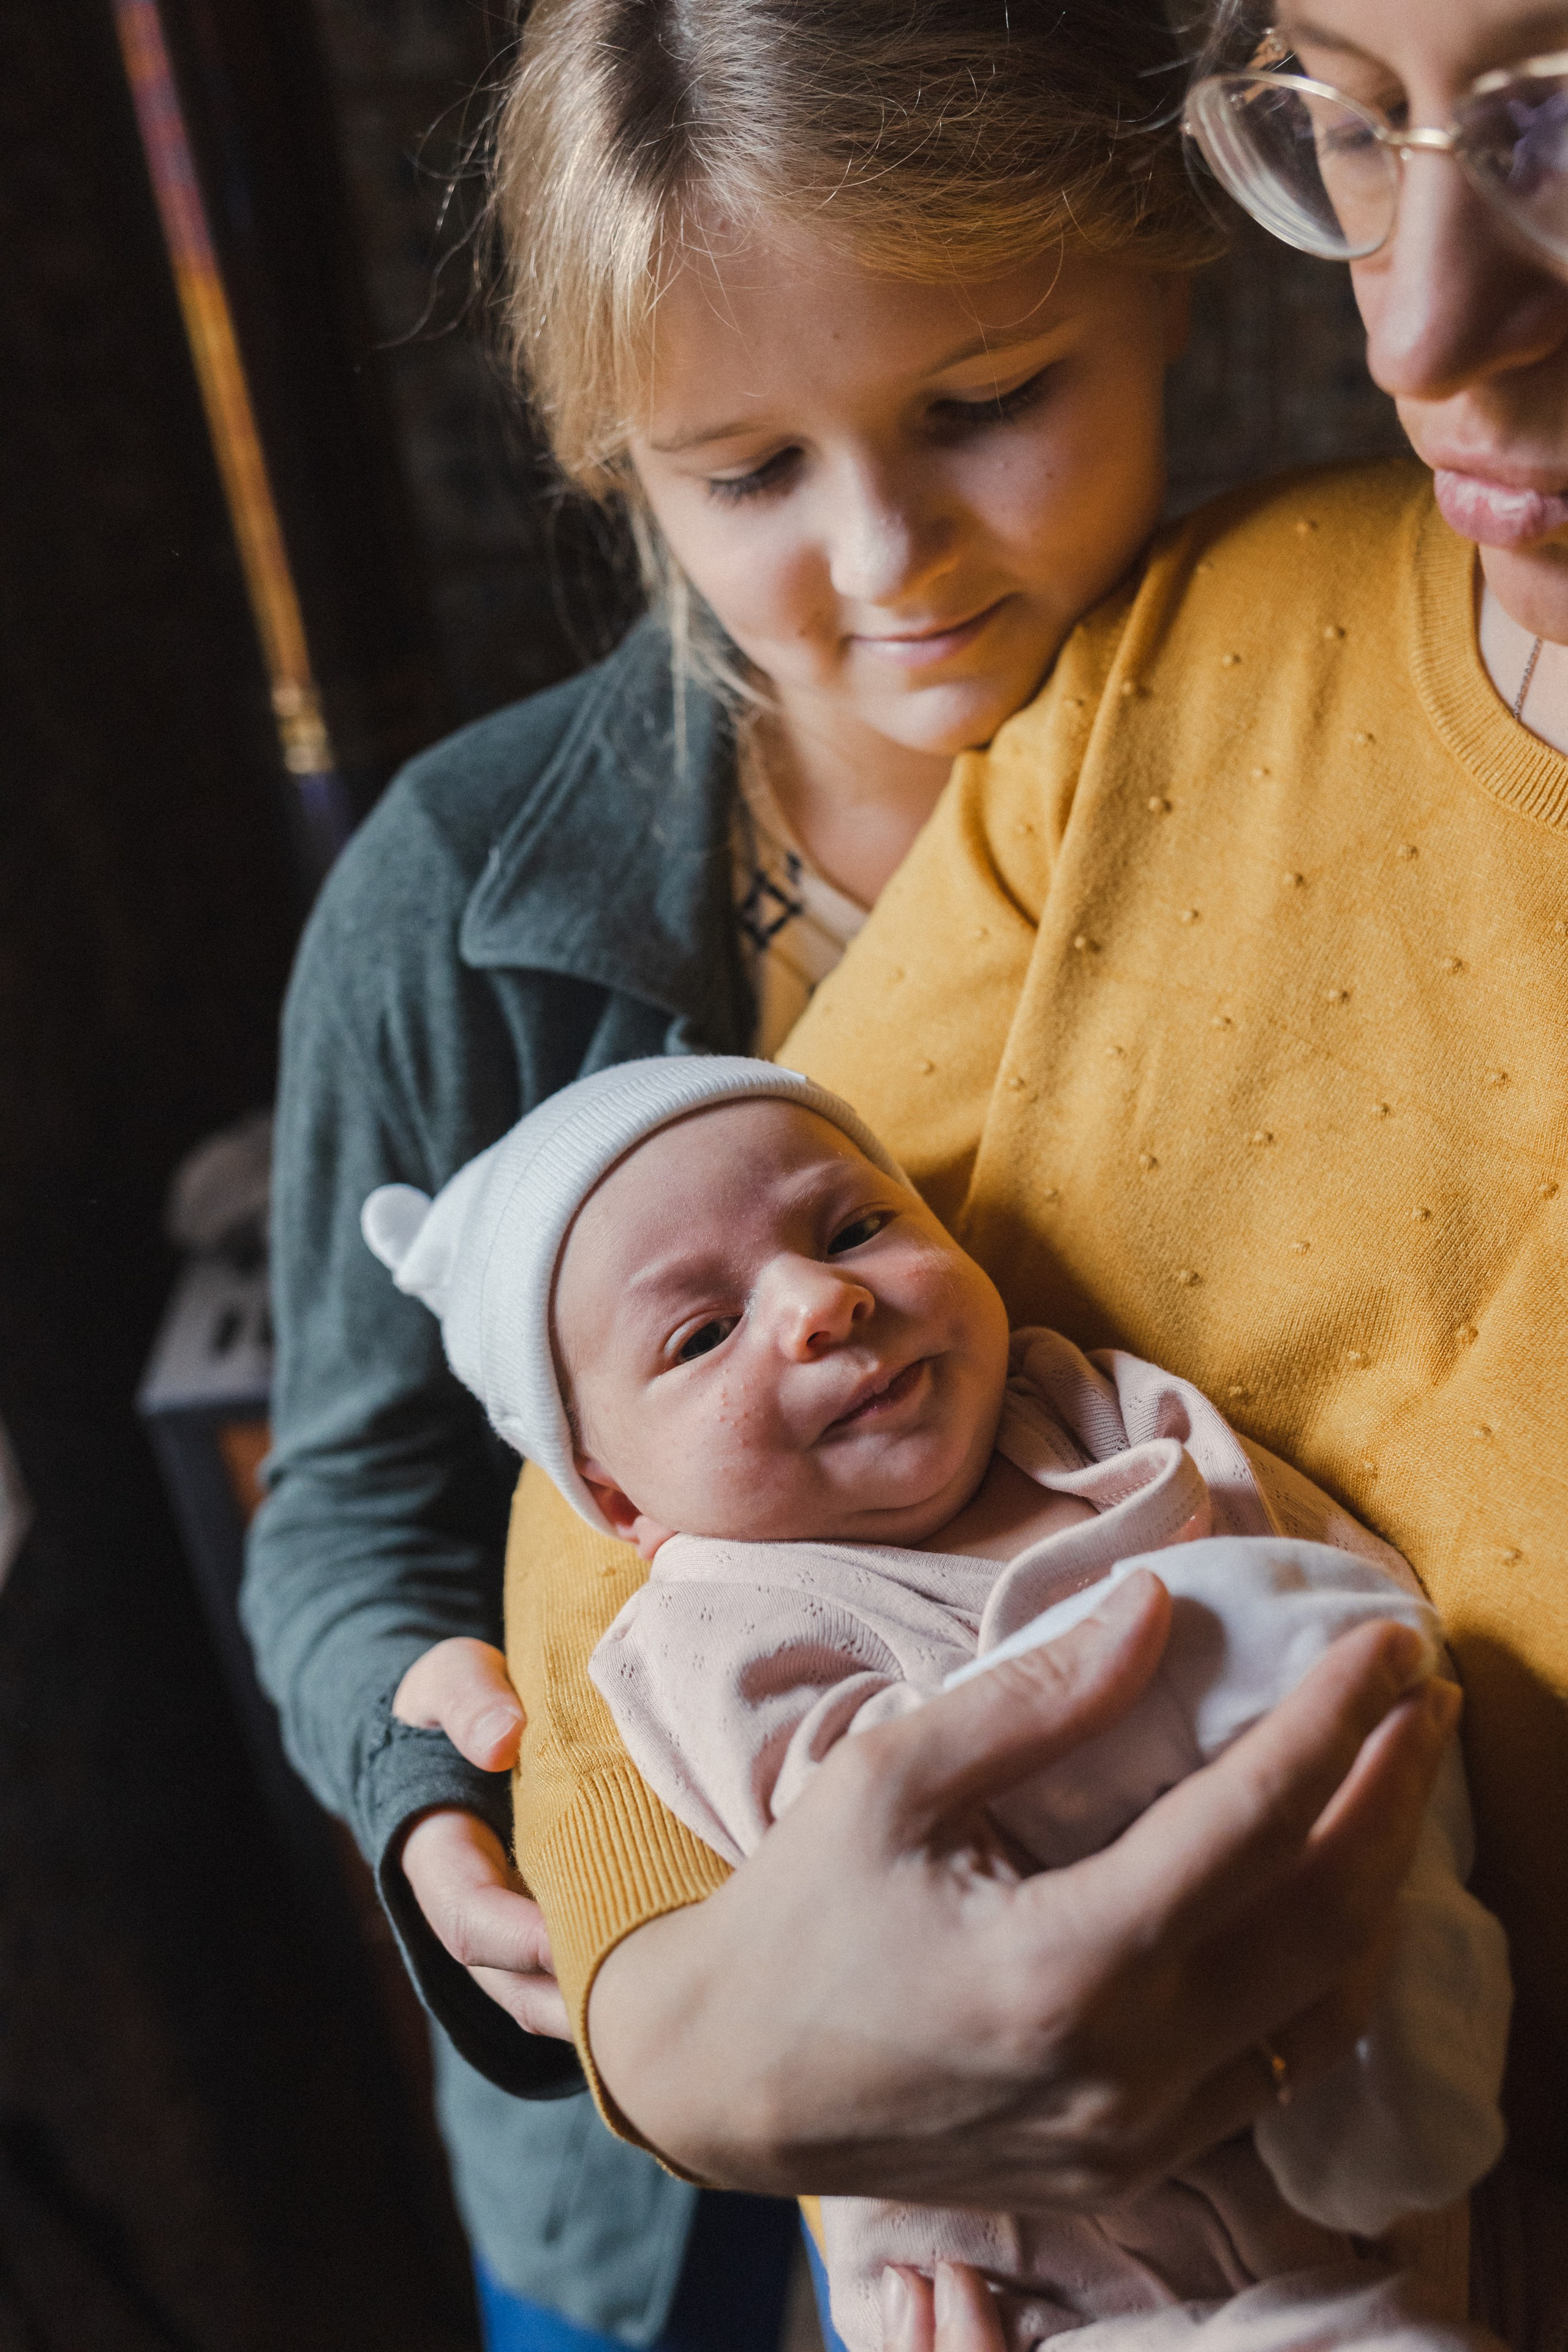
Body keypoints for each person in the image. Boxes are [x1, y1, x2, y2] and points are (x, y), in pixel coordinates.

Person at [483, 1, 1568, 2343]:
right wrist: (717, 2043)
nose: (1417, 310)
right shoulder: (1181, 677)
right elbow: (610, 1483)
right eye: (1352, 125)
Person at [242, 1, 1224, 2342]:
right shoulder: (454, 892)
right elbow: (350, 1495)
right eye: (744, 472)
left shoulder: (1330, 727)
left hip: (1246, 2046)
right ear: (613, 461)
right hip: (668, 2199)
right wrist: (433, 1781)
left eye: (983, 404)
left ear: (1168, 267)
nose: (886, 552)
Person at [365, 1054, 1506, 2352]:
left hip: (1340, 2041)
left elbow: (1342, 1584)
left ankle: (1397, 2061)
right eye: (699, 1333)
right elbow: (898, 1868)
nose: (820, 1298)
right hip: (1063, 2278)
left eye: (856, 1226)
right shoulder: (714, 1626)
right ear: (621, 1503)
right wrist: (1214, 1657)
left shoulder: (1093, 1405)